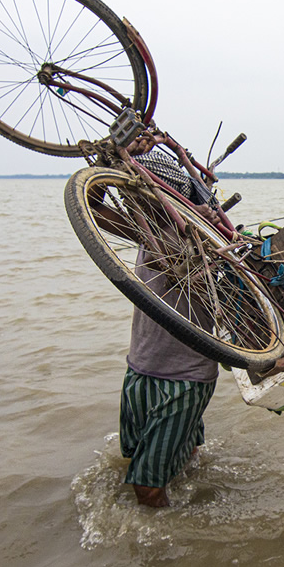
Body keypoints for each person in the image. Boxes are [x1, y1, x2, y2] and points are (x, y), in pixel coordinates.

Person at [91, 147, 222, 508]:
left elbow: (176, 267)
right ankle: (195, 496)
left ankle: (169, 550)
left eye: (139, 193)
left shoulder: (197, 238)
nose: (131, 201)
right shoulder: (144, 228)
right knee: (172, 457)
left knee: (146, 487)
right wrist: (106, 165)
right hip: (141, 365)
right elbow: (92, 206)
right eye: (130, 194)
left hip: (185, 378)